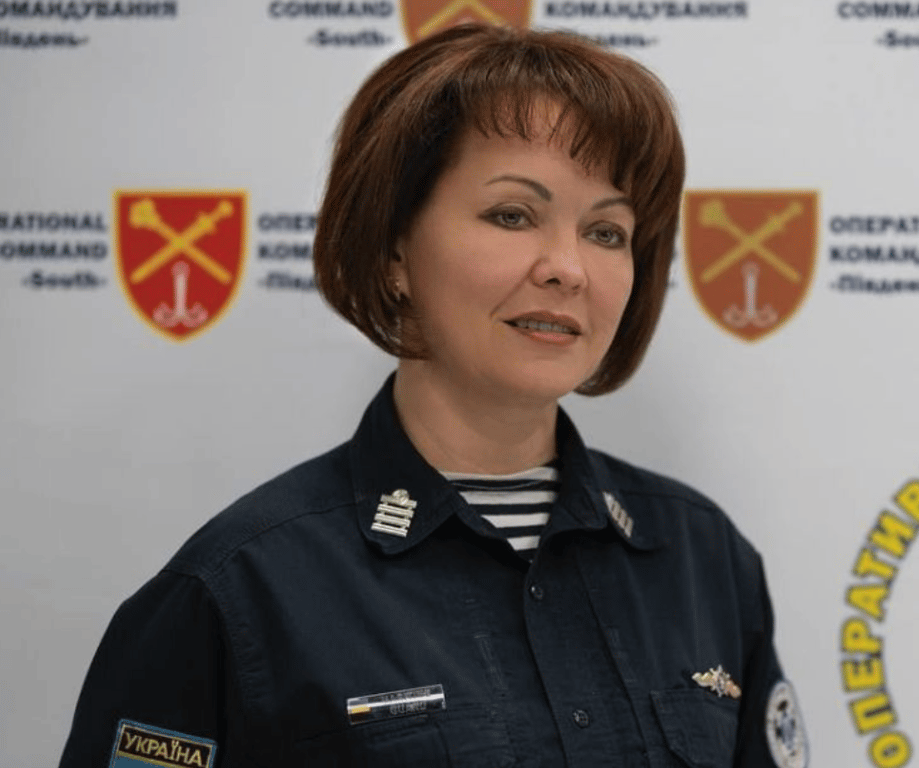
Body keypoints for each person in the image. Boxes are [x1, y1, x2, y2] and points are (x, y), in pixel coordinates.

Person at [59, 23, 807, 768]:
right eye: (512, 215)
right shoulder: (236, 591)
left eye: (607, 232)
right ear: (394, 250)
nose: (569, 268)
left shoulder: (706, 559)